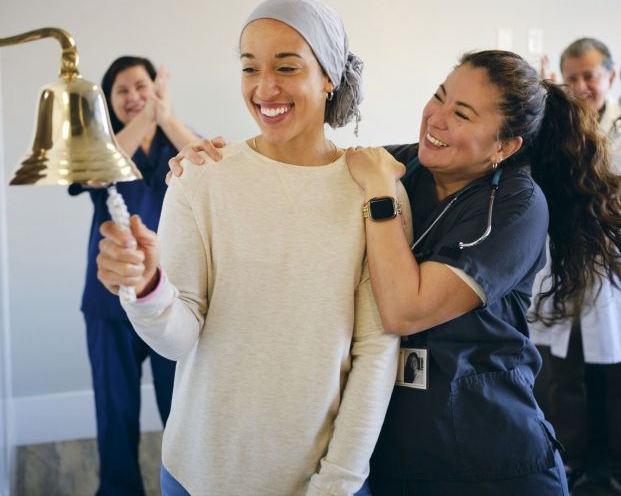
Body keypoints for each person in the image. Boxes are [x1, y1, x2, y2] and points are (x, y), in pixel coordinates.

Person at [168, 49, 621, 495]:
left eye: (461, 114)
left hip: (487, 453)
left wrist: (382, 193)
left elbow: (404, 310)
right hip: (395, 454)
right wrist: (208, 161)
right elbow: (300, 171)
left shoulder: (517, 206)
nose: (436, 118)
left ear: (504, 146)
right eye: (439, 97)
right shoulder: (400, 166)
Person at [95, 0, 402, 496]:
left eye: (287, 67)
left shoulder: (373, 188)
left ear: (329, 77)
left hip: (319, 482)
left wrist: (338, 483)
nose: (265, 88)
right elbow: (177, 338)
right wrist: (146, 286)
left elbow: (375, 349)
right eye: (249, 68)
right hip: (195, 473)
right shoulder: (202, 175)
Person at [69, 56, 197, 496]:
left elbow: (214, 168)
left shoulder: (174, 141)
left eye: (141, 86)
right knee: (115, 410)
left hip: (168, 299)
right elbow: (95, 171)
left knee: (178, 410)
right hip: (108, 300)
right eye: (121, 90)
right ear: (108, 101)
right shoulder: (100, 145)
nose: (133, 97)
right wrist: (147, 114)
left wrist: (166, 116)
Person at [531, 38, 621, 493]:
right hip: (568, 260)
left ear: (612, 76)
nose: (582, 86)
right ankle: (574, 464)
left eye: (590, 76)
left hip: (613, 267)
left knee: (614, 374)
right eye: (572, 78)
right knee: (565, 371)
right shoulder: (558, 128)